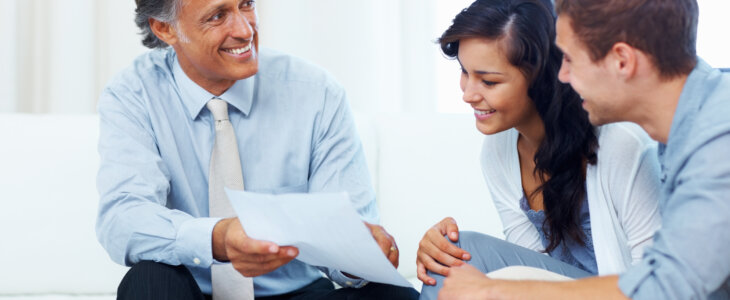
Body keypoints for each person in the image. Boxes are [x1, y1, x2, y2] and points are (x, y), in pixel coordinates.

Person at [95, 0, 419, 299]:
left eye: (246, 4)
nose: (245, 30)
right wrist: (218, 238)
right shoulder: (133, 95)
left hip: (296, 293)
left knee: (391, 294)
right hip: (191, 291)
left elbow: (350, 237)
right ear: (165, 29)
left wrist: (358, 254)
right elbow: (123, 220)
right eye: (218, 16)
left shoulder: (315, 92)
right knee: (148, 280)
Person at [436, 0, 730, 299]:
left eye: (570, 59)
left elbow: (668, 286)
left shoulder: (717, 140)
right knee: (456, 254)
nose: (560, 76)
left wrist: (496, 290)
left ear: (622, 61)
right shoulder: (687, 126)